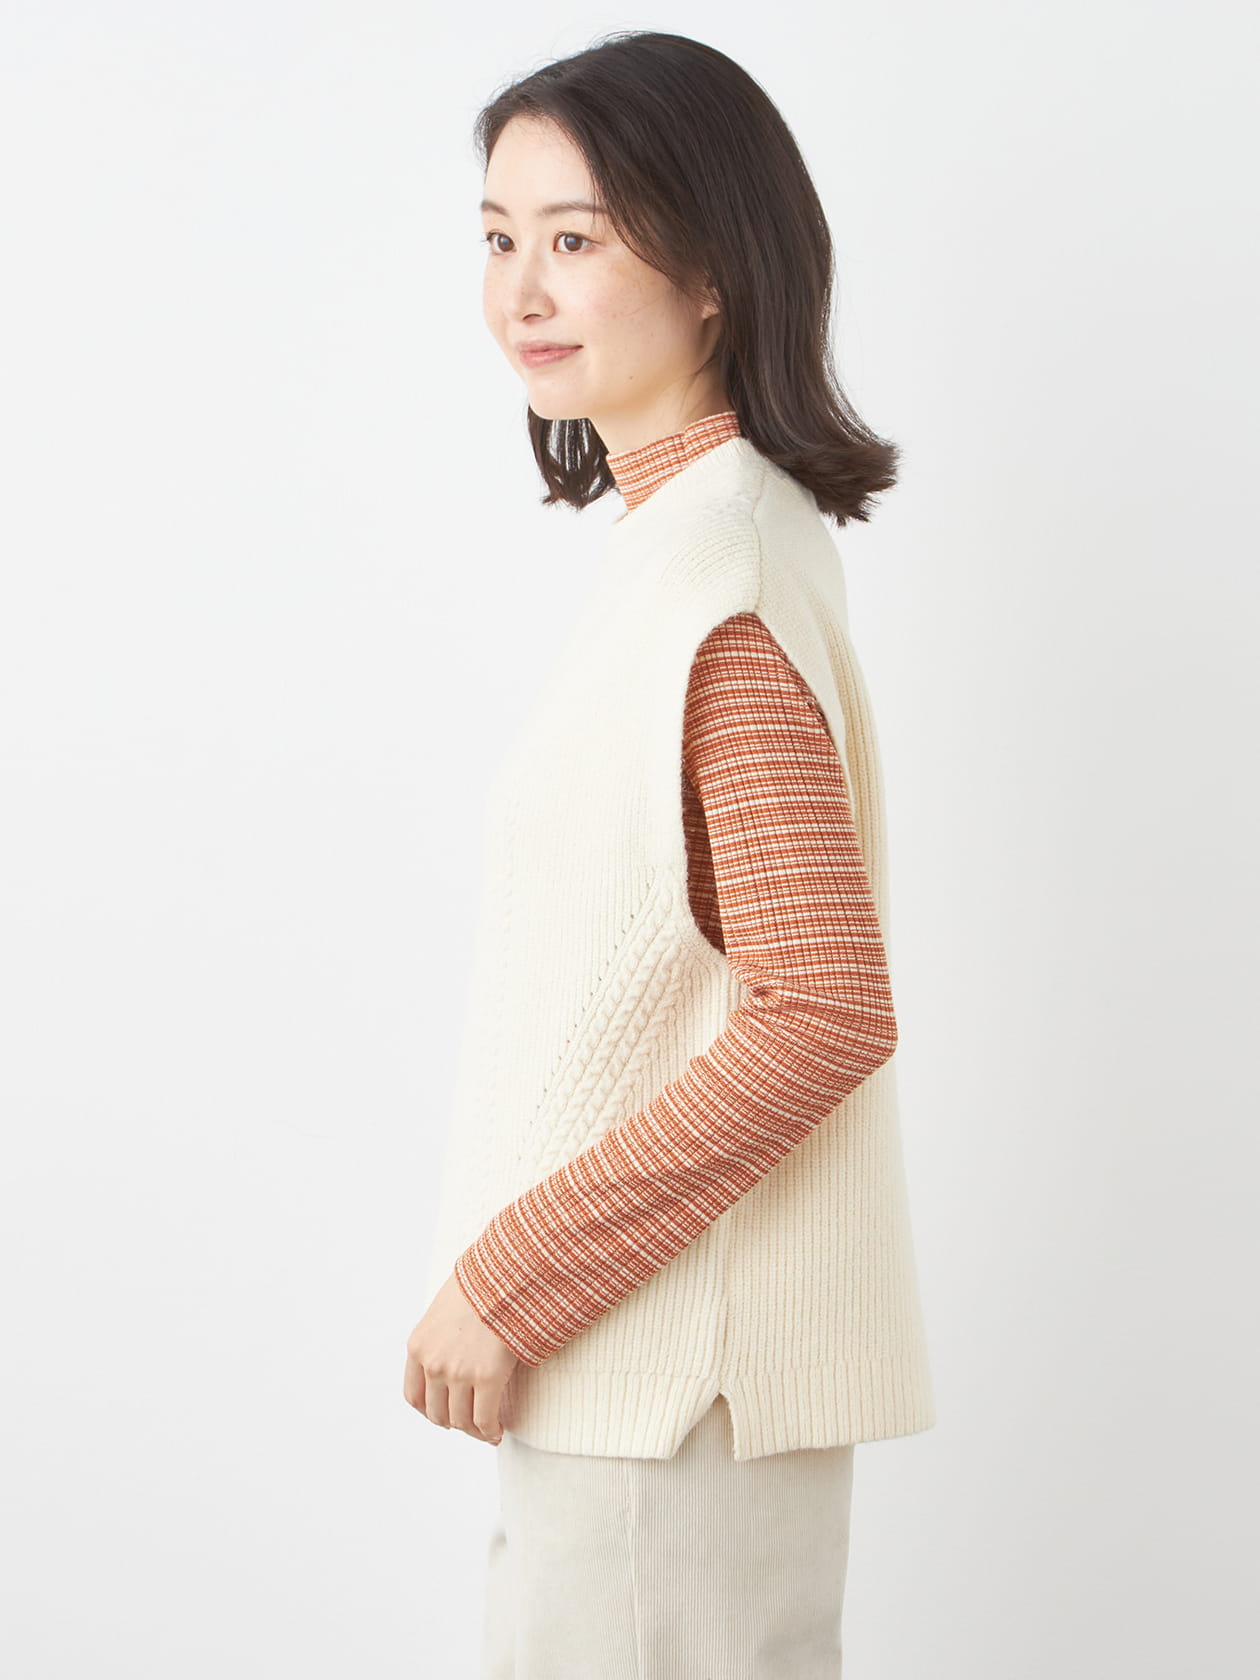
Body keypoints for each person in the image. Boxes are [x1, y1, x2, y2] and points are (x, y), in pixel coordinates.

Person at [402, 30, 935, 1679]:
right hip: (639, 1388)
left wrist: (517, 1275)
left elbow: (820, 1006)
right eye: (499, 236)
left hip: (669, 1409)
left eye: (577, 237)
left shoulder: (722, 578)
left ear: (712, 270)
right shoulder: (689, 549)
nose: (523, 290)